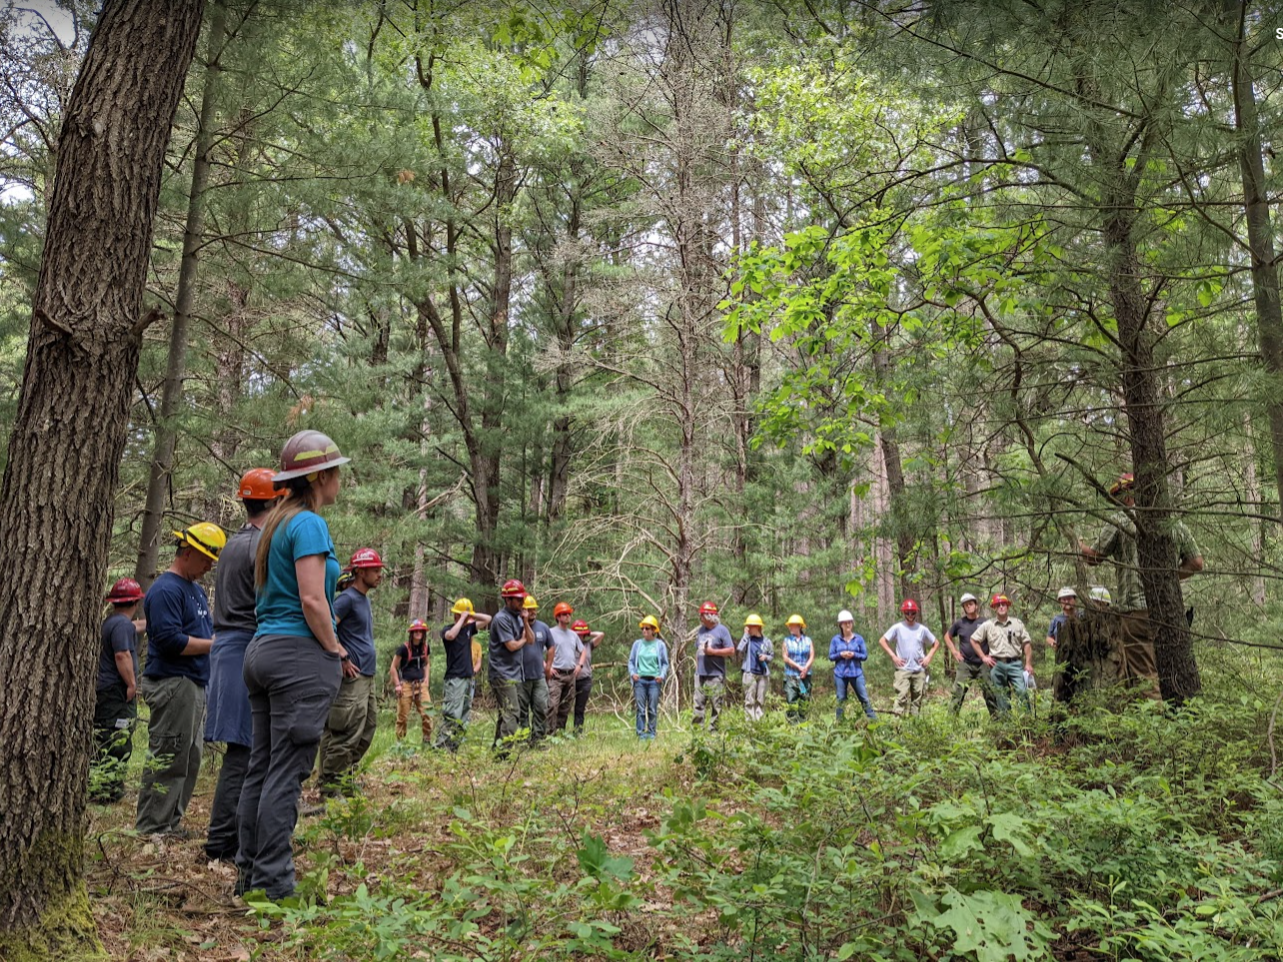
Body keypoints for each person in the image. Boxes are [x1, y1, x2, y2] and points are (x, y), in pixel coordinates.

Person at [236, 429, 349, 901]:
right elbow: (312, 598)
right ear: (320, 476)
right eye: (337, 471)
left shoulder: (277, 525)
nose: (341, 479)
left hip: (263, 653)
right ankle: (275, 884)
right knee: (285, 773)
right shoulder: (307, 525)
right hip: (298, 657)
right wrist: (335, 649)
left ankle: (250, 876)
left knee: (262, 768)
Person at [204, 469, 277, 861]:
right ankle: (221, 841)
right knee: (243, 752)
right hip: (244, 647)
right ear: (275, 502)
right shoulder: (259, 547)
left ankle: (227, 837)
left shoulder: (234, 543)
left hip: (229, 649)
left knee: (244, 749)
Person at [135, 521, 224, 837]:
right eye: (204, 560)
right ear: (186, 553)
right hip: (173, 684)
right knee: (169, 755)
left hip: (194, 684)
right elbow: (170, 640)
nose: (208, 567)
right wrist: (214, 645)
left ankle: (171, 822)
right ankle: (152, 826)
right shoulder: (166, 590)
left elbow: (201, 632)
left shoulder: (196, 591)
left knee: (190, 756)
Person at [1080, 472, 1203, 700]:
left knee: (1145, 674)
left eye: (1118, 498)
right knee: (1172, 671)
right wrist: (1169, 580)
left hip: (1136, 612)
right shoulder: (1172, 520)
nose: (1117, 503)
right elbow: (1196, 563)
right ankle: (1184, 721)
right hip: (1170, 611)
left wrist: (1078, 545)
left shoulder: (1122, 520)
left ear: (1127, 496)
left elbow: (1093, 558)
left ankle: (1156, 730)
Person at [318, 548, 383, 793]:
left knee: (367, 728)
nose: (379, 575)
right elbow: (326, 626)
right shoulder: (346, 598)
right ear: (360, 571)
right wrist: (341, 655)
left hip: (367, 675)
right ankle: (331, 786)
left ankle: (343, 778)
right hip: (351, 677)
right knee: (345, 730)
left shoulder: (362, 599)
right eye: (375, 570)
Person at [92, 578, 143, 804]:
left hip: (106, 693)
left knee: (103, 736)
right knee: (118, 739)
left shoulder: (112, 622)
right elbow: (122, 655)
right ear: (135, 602)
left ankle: (100, 785)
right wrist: (131, 684)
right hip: (116, 694)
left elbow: (136, 626)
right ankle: (109, 791)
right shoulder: (122, 626)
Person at [437, 597, 491, 751]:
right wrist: (461, 619)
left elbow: (488, 619)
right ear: (455, 615)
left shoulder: (469, 629)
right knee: (452, 714)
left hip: (468, 678)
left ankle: (454, 746)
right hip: (455, 678)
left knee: (464, 715)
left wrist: (470, 615)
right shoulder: (448, 629)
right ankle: (441, 746)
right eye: (459, 615)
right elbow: (451, 636)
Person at [969, 594, 1033, 715]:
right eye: (998, 605)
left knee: (1022, 692)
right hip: (996, 665)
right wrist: (983, 657)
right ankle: (1007, 725)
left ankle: (1028, 722)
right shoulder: (988, 625)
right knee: (1001, 696)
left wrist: (1028, 663)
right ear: (994, 608)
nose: (1001, 607)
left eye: (1003, 604)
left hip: (1015, 664)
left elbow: (1027, 643)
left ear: (1008, 606)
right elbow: (973, 640)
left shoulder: (1017, 623)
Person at [490, 579, 534, 756]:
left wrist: (525, 621)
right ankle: (504, 754)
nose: (522, 602)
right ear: (507, 600)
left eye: (522, 599)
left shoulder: (518, 618)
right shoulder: (501, 619)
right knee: (512, 712)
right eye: (518, 599)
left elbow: (530, 640)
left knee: (505, 714)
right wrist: (522, 639)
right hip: (502, 673)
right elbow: (512, 646)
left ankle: (497, 749)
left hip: (515, 673)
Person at [878, 599, 939, 717]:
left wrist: (928, 657)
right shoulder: (898, 627)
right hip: (903, 669)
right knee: (901, 696)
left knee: (917, 698)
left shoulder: (922, 629)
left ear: (916, 613)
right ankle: (897, 724)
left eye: (912, 612)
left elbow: (936, 643)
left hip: (918, 669)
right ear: (904, 613)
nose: (910, 615)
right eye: (907, 613)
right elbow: (882, 640)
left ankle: (914, 725)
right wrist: (893, 656)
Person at [945, 593, 997, 717]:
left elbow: (994, 638)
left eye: (970, 604)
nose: (968, 607)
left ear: (976, 605)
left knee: (990, 692)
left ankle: (997, 721)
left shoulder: (985, 622)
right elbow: (947, 637)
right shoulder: (960, 623)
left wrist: (992, 655)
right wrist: (954, 652)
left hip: (983, 664)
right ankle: (951, 721)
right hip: (966, 664)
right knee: (958, 692)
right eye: (965, 605)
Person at [693, 601, 735, 732]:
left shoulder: (722, 630)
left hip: (716, 675)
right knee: (698, 703)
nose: (700, 618)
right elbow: (697, 650)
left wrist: (713, 652)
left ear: (710, 616)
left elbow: (731, 650)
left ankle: (714, 732)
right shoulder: (701, 631)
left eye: (702, 615)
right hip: (700, 674)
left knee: (716, 704)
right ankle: (697, 731)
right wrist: (696, 668)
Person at [546, 602, 587, 734]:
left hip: (571, 675)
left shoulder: (573, 635)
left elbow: (583, 650)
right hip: (556, 675)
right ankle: (549, 733)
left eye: (569, 614)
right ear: (558, 617)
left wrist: (579, 665)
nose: (567, 617)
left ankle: (560, 732)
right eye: (564, 614)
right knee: (552, 705)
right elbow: (538, 651)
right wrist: (547, 667)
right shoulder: (551, 632)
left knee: (566, 706)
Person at [829, 609, 876, 720]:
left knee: (864, 698)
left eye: (850, 622)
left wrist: (853, 655)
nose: (848, 625)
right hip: (840, 674)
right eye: (845, 623)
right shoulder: (835, 640)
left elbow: (864, 656)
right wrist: (841, 654)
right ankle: (840, 724)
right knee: (841, 699)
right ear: (841, 625)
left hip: (856, 673)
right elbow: (831, 656)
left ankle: (874, 722)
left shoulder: (858, 639)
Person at [518, 595, 553, 744]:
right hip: (520, 676)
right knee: (521, 710)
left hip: (539, 676)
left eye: (534, 609)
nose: (533, 612)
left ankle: (538, 739)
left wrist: (549, 666)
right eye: (530, 609)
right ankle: (523, 739)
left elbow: (551, 646)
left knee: (541, 707)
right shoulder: (517, 625)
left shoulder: (543, 627)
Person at [391, 619, 432, 743]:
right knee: (403, 716)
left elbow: (427, 664)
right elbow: (393, 667)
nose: (418, 633)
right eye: (416, 631)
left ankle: (426, 741)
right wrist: (397, 685)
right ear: (411, 633)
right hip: (406, 685)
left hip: (421, 685)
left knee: (427, 714)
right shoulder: (403, 649)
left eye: (421, 631)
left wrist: (426, 679)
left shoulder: (425, 648)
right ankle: (400, 743)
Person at [628, 615, 669, 739]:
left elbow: (664, 664)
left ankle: (651, 732)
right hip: (640, 680)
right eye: (643, 629)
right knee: (640, 708)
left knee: (652, 708)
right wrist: (632, 673)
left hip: (654, 681)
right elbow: (631, 661)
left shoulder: (660, 645)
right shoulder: (637, 644)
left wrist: (661, 676)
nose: (644, 631)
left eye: (647, 628)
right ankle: (640, 733)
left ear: (653, 630)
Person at [737, 614, 773, 720]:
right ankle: (749, 726)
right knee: (749, 700)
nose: (748, 628)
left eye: (750, 626)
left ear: (757, 627)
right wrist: (745, 636)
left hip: (763, 675)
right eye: (747, 626)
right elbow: (739, 650)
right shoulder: (748, 640)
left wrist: (765, 657)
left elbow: (771, 656)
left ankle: (759, 724)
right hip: (749, 674)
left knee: (760, 700)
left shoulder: (767, 641)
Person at [570, 619, 604, 733]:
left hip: (585, 681)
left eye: (581, 635)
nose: (580, 637)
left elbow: (601, 634)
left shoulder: (588, 645)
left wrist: (587, 632)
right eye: (577, 635)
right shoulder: (569, 645)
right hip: (570, 680)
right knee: (563, 707)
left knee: (579, 708)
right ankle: (559, 730)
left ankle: (577, 731)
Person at [781, 614, 814, 723]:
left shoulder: (808, 641)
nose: (790, 628)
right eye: (789, 626)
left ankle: (804, 723)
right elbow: (785, 657)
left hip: (805, 676)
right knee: (791, 701)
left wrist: (805, 668)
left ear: (799, 626)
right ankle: (792, 725)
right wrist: (798, 667)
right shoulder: (786, 641)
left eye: (792, 625)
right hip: (791, 676)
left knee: (805, 700)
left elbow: (812, 656)